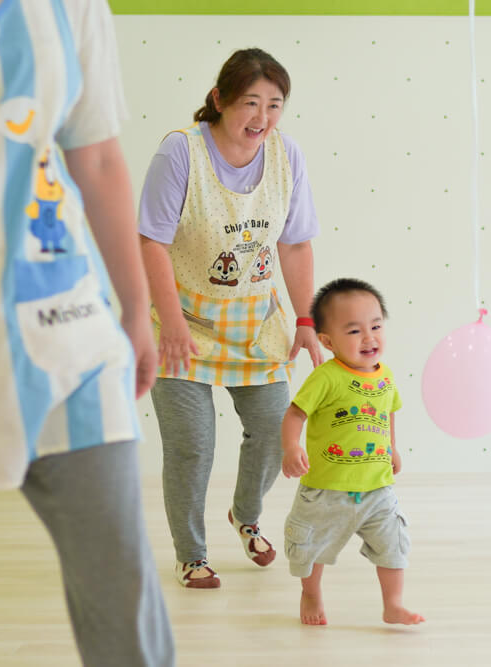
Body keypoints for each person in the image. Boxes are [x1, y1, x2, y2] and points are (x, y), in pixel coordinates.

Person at [0, 0, 174, 665]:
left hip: (61, 326)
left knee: (121, 586)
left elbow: (98, 156)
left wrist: (137, 308)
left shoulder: (72, 7)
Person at [138, 48, 323, 589]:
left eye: (274, 105)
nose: (261, 118)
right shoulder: (181, 152)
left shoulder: (287, 157)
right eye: (250, 103)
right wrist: (169, 323)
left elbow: (295, 245)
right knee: (193, 445)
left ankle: (245, 515)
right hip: (182, 324)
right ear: (219, 100)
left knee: (275, 432)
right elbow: (151, 241)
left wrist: (306, 320)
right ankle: (191, 554)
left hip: (255, 326)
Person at [281, 278, 424, 626]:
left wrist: (391, 447)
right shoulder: (326, 378)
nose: (369, 337)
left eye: (375, 326)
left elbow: (388, 410)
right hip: (326, 490)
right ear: (327, 341)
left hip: (377, 487)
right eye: (355, 331)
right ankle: (311, 591)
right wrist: (290, 446)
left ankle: (393, 604)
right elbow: (295, 413)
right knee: (310, 545)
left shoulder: (386, 376)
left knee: (393, 543)